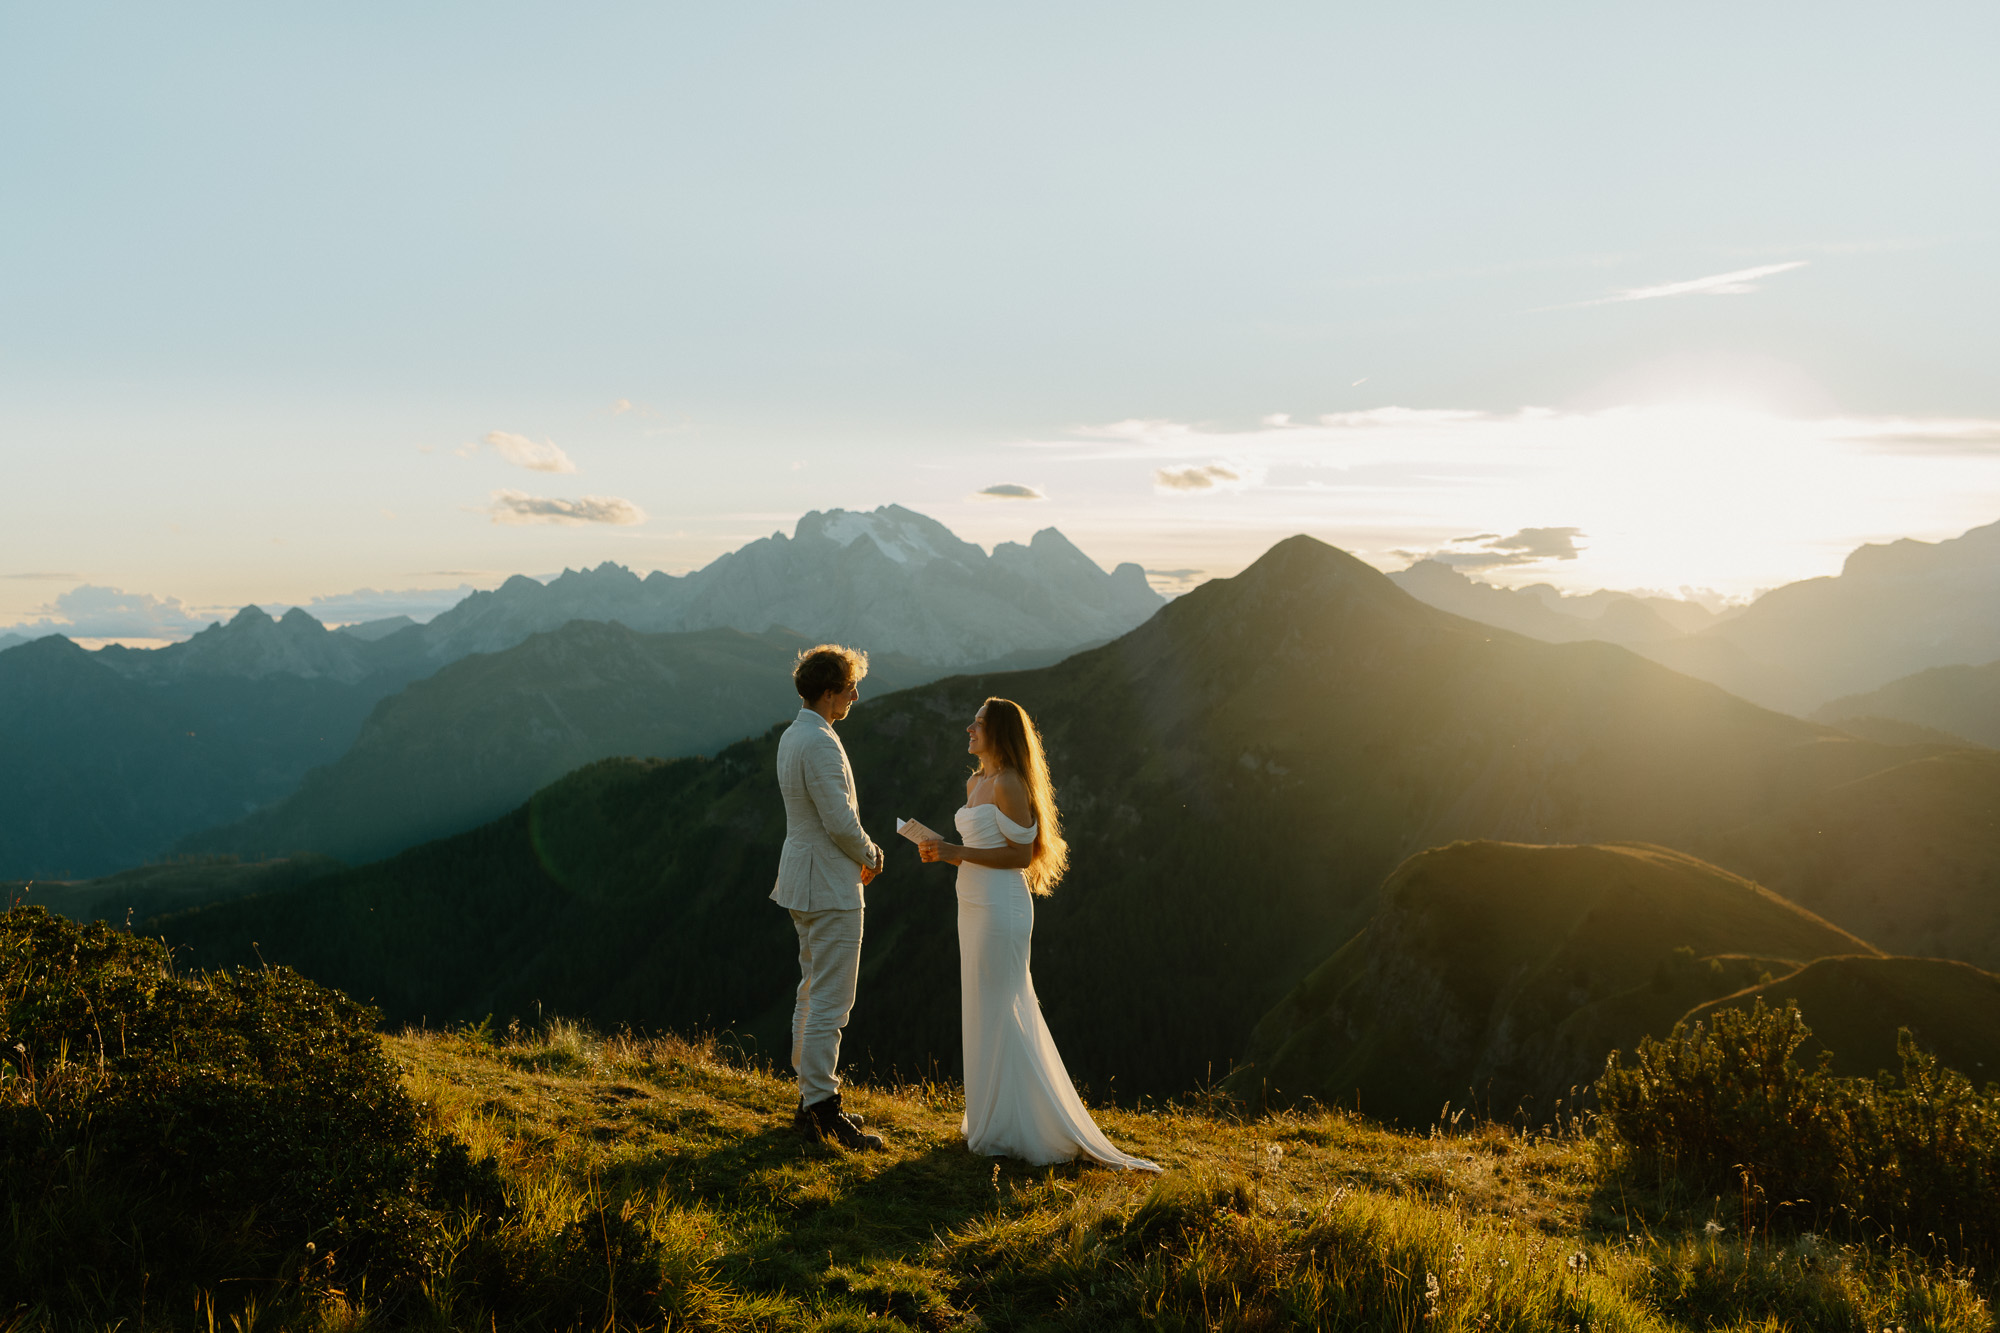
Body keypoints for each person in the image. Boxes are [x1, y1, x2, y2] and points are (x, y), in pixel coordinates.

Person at [918, 697, 1160, 1171]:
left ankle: (1021, 1125)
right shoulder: (976, 782)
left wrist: (954, 853)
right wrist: (943, 851)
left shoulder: (1009, 784)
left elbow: (1020, 857)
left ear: (1000, 733)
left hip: (1002, 905)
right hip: (971, 902)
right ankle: (991, 1119)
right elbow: (976, 846)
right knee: (982, 1005)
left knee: (1004, 1005)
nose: (969, 728)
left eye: (979, 724)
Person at [773, 644, 885, 1151]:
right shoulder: (820, 742)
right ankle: (820, 1107)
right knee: (832, 1002)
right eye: (848, 689)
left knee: (810, 989)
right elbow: (838, 818)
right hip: (829, 885)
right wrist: (872, 853)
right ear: (827, 691)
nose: (855, 697)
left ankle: (809, 1096)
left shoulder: (792, 736)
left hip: (802, 878)